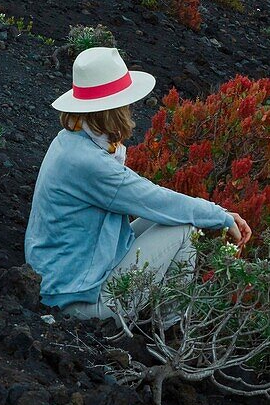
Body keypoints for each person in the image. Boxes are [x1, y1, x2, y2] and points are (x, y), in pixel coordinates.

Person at [25, 46, 251, 325]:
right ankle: (172, 330)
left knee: (169, 219)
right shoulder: (90, 163)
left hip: (64, 281)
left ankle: (166, 325)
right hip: (80, 302)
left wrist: (218, 213)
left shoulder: (69, 141)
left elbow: (153, 204)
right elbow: (156, 200)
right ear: (114, 109)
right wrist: (222, 217)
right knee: (184, 229)